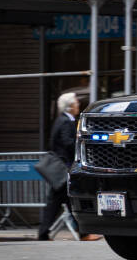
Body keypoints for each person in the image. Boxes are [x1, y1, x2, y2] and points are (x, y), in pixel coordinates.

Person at [38, 92, 100, 241]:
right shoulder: (66, 121)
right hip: (64, 168)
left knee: (61, 202)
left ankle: (44, 233)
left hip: (61, 168)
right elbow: (67, 143)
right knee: (66, 201)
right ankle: (83, 233)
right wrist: (82, 147)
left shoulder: (61, 120)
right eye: (76, 103)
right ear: (70, 106)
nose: (78, 105)